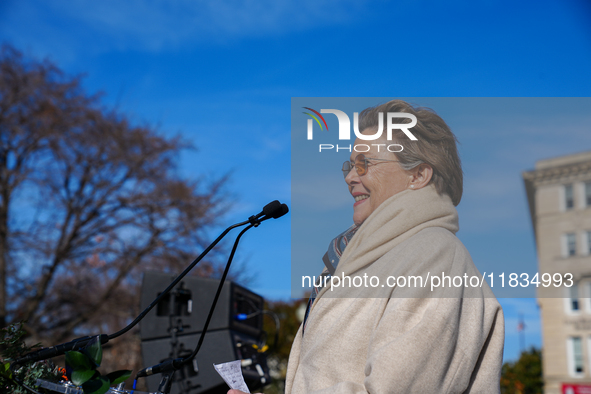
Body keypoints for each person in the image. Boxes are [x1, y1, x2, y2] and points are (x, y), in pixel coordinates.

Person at [230, 100, 504, 394]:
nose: (349, 177)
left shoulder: (435, 255)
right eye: (350, 165)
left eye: (365, 164)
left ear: (418, 175)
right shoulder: (359, 261)